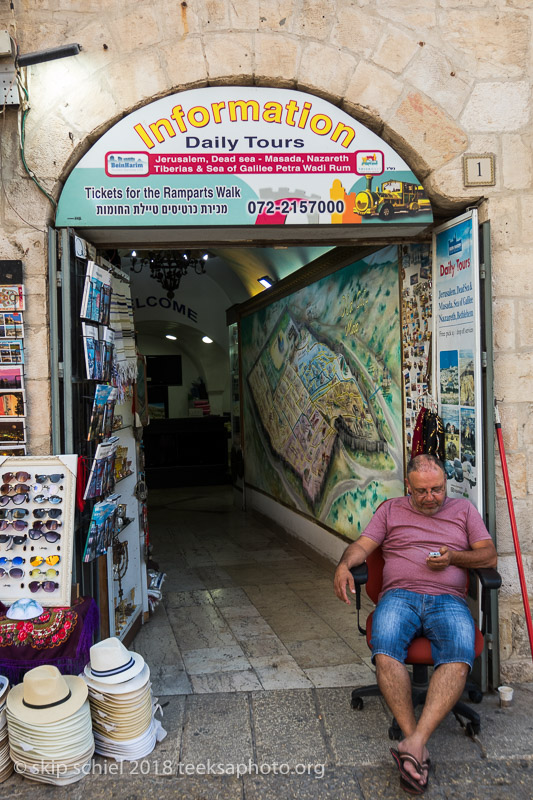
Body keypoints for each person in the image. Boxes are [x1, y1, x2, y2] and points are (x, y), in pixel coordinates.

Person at [333, 454, 497, 795]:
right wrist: (343, 565)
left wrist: (455, 558)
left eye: (437, 489)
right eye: (421, 491)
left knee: (458, 653)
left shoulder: (463, 511)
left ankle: (414, 744)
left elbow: (488, 555)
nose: (430, 497)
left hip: (448, 599)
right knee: (386, 648)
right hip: (399, 596)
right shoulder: (391, 510)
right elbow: (362, 547)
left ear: (444, 485)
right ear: (408, 486)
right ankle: (416, 742)